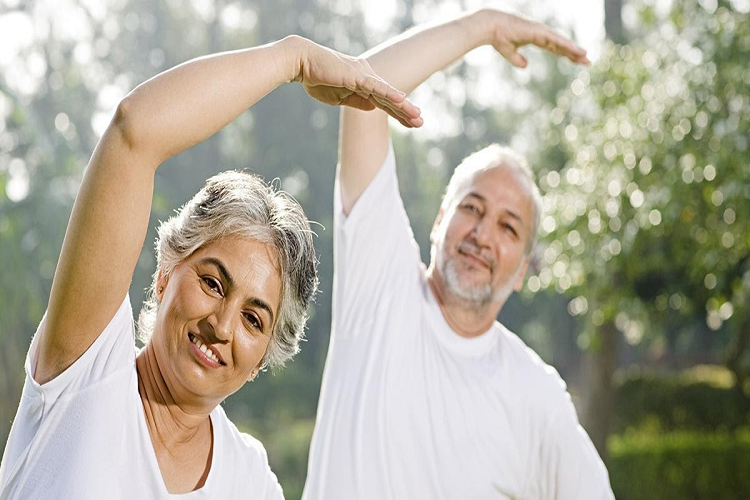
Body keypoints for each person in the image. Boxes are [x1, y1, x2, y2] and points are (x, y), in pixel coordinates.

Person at [0, 35, 422, 499]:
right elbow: (134, 130)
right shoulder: (84, 372)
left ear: (262, 358)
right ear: (165, 274)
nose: (221, 326)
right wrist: (293, 59)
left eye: (253, 319)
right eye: (213, 283)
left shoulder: (251, 484)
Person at [303, 9, 615, 499]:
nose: (483, 234)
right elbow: (363, 91)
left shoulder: (537, 396)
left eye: (509, 227)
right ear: (440, 219)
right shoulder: (380, 284)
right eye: (472, 207)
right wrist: (482, 27)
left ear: (522, 273)